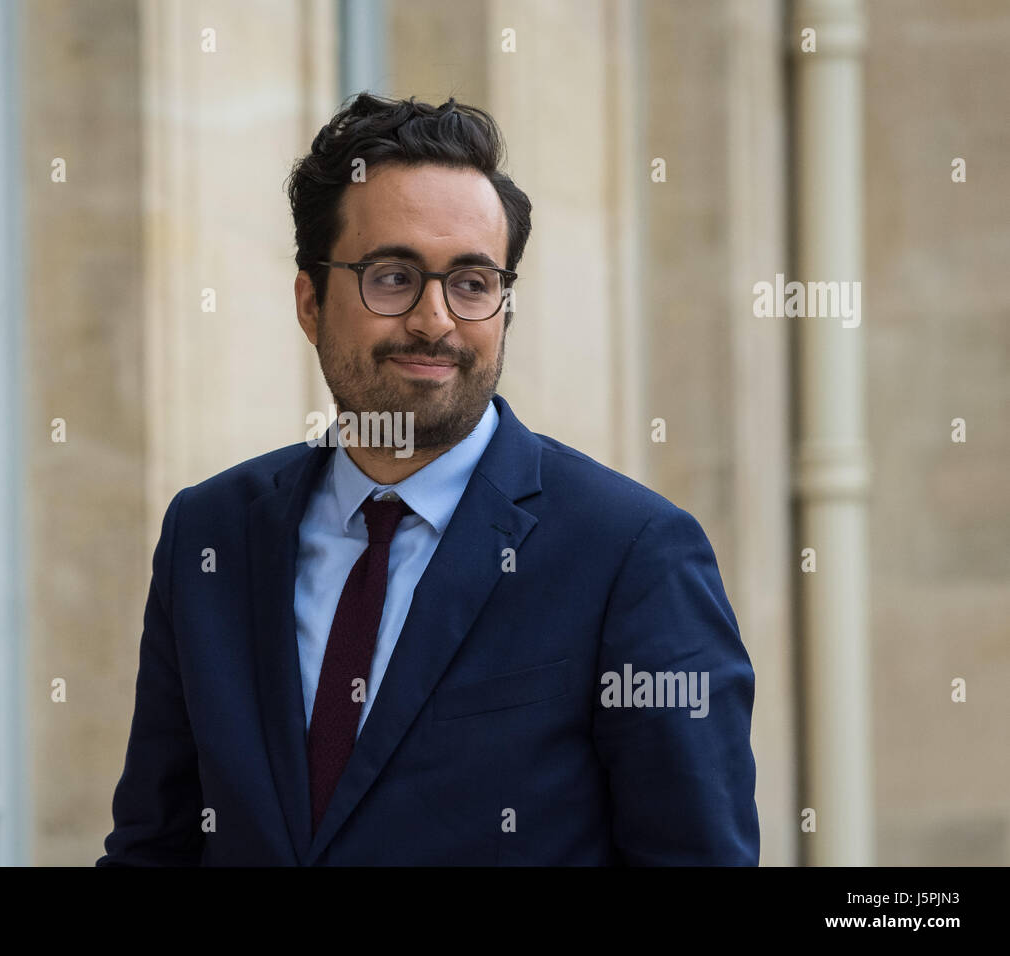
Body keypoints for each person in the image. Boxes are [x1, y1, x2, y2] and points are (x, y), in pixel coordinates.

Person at [98, 93, 759, 865]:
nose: (435, 320)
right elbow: (156, 845)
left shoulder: (632, 554)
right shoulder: (210, 535)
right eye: (392, 276)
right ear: (311, 302)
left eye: (472, 283)